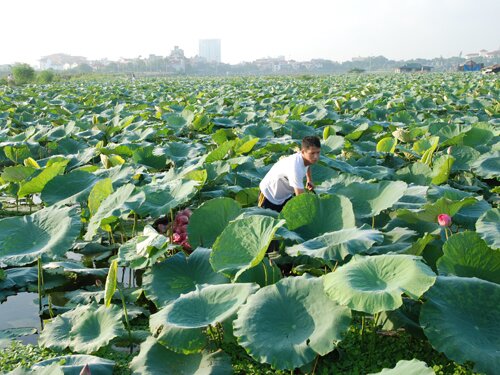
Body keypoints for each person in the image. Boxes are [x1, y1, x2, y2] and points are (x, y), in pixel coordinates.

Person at [258, 135, 321, 212]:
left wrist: (309, 179)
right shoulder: (295, 168)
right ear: (303, 152)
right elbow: (300, 198)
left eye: (318, 152)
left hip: (284, 196)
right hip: (269, 194)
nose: (316, 157)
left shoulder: (306, 159)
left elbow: (308, 166)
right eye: (312, 153)